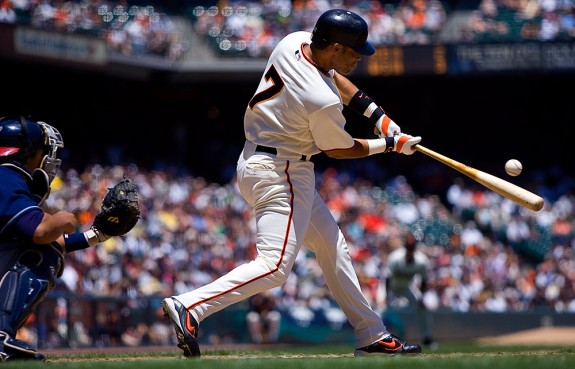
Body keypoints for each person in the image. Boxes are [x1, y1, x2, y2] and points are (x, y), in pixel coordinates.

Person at [162, 9, 423, 357]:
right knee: (274, 266)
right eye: (353, 50)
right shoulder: (321, 99)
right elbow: (340, 149)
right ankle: (190, 305)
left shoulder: (295, 41)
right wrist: (390, 144)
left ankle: (371, 333)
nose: (359, 56)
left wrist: (380, 118)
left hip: (264, 160)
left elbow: (335, 76)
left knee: (333, 247)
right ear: (332, 46)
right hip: (281, 170)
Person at [0, 115, 114, 361]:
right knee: (42, 253)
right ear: (27, 152)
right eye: (42, 150)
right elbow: (42, 234)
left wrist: (96, 235)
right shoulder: (7, 176)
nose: (47, 158)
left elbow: (49, 238)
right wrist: (65, 218)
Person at [385, 231, 436, 347]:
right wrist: (386, 297)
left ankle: (426, 337)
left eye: (412, 247)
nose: (410, 250)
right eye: (408, 247)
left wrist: (421, 297)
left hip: (406, 287)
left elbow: (424, 280)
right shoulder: (395, 258)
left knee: (423, 308)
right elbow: (387, 279)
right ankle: (377, 338)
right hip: (392, 288)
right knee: (382, 310)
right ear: (405, 247)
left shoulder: (421, 260)